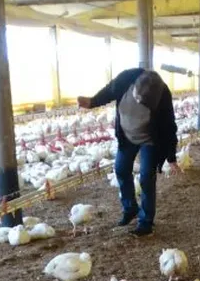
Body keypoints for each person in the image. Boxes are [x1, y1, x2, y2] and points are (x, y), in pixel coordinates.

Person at [77, 69, 180, 237]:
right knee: (121, 169)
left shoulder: (162, 94)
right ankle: (130, 208)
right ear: (135, 87)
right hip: (127, 136)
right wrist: (92, 101)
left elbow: (169, 126)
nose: (141, 104)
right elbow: (109, 91)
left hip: (150, 140)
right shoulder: (126, 79)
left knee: (146, 178)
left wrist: (171, 157)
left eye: (146, 104)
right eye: (139, 99)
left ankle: (145, 222)